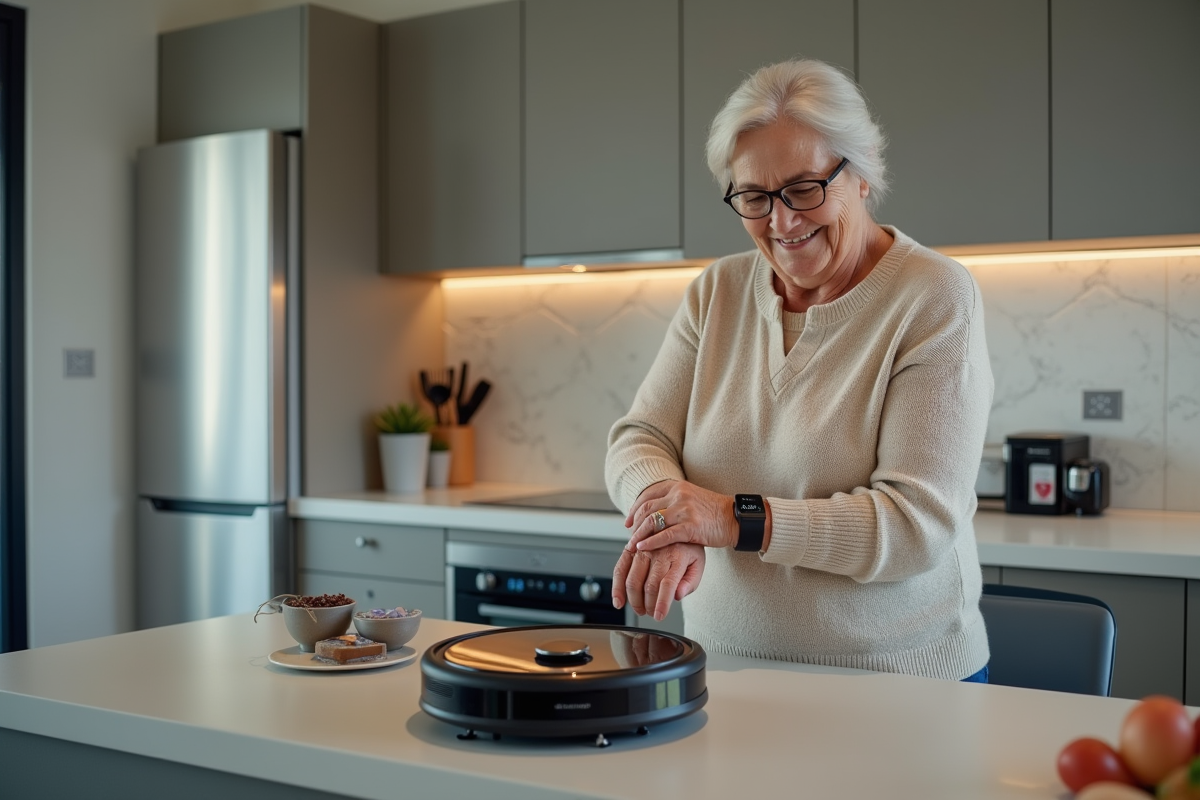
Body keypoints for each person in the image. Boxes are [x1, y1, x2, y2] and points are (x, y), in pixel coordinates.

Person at [605, 59, 993, 682]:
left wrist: (730, 519)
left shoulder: (933, 295)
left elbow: (914, 525)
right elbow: (640, 438)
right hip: (719, 670)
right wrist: (667, 515)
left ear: (861, 172)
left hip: (895, 684)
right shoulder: (718, 292)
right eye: (754, 197)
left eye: (805, 189)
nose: (782, 222)